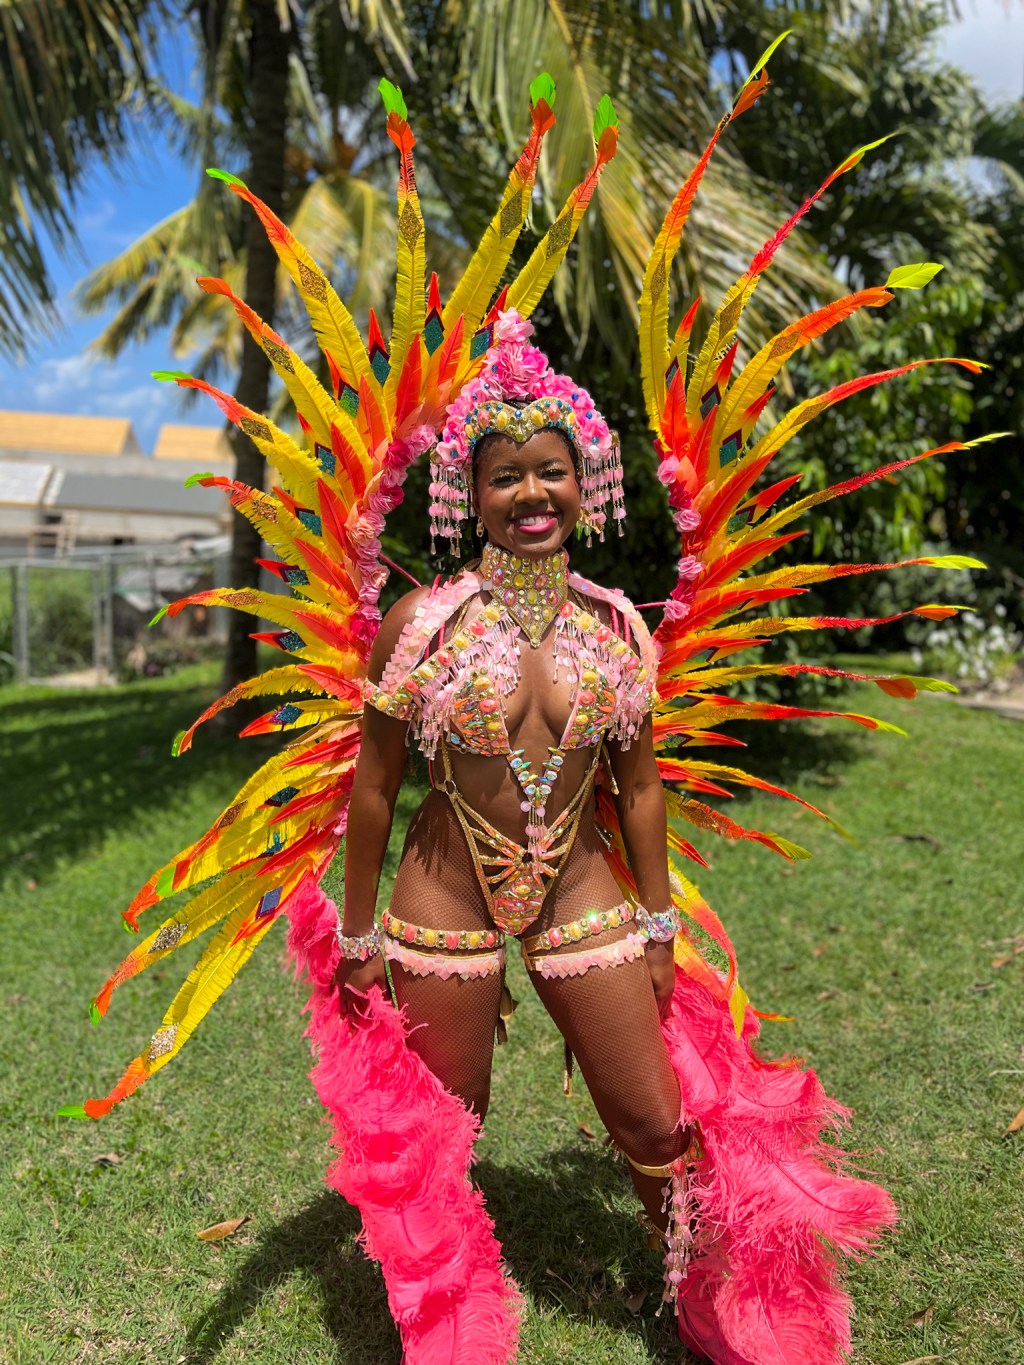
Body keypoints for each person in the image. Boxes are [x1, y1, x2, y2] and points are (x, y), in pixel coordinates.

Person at [72, 49, 980, 1364]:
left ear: (587, 483)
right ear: (472, 495)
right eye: (505, 478)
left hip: (588, 890)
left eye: (552, 472)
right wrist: (363, 923)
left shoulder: (620, 628)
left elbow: (643, 783)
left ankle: (705, 1293)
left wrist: (662, 915)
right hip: (437, 900)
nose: (531, 495)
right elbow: (379, 784)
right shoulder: (421, 622)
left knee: (657, 1122)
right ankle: (445, 1332)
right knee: (438, 1140)